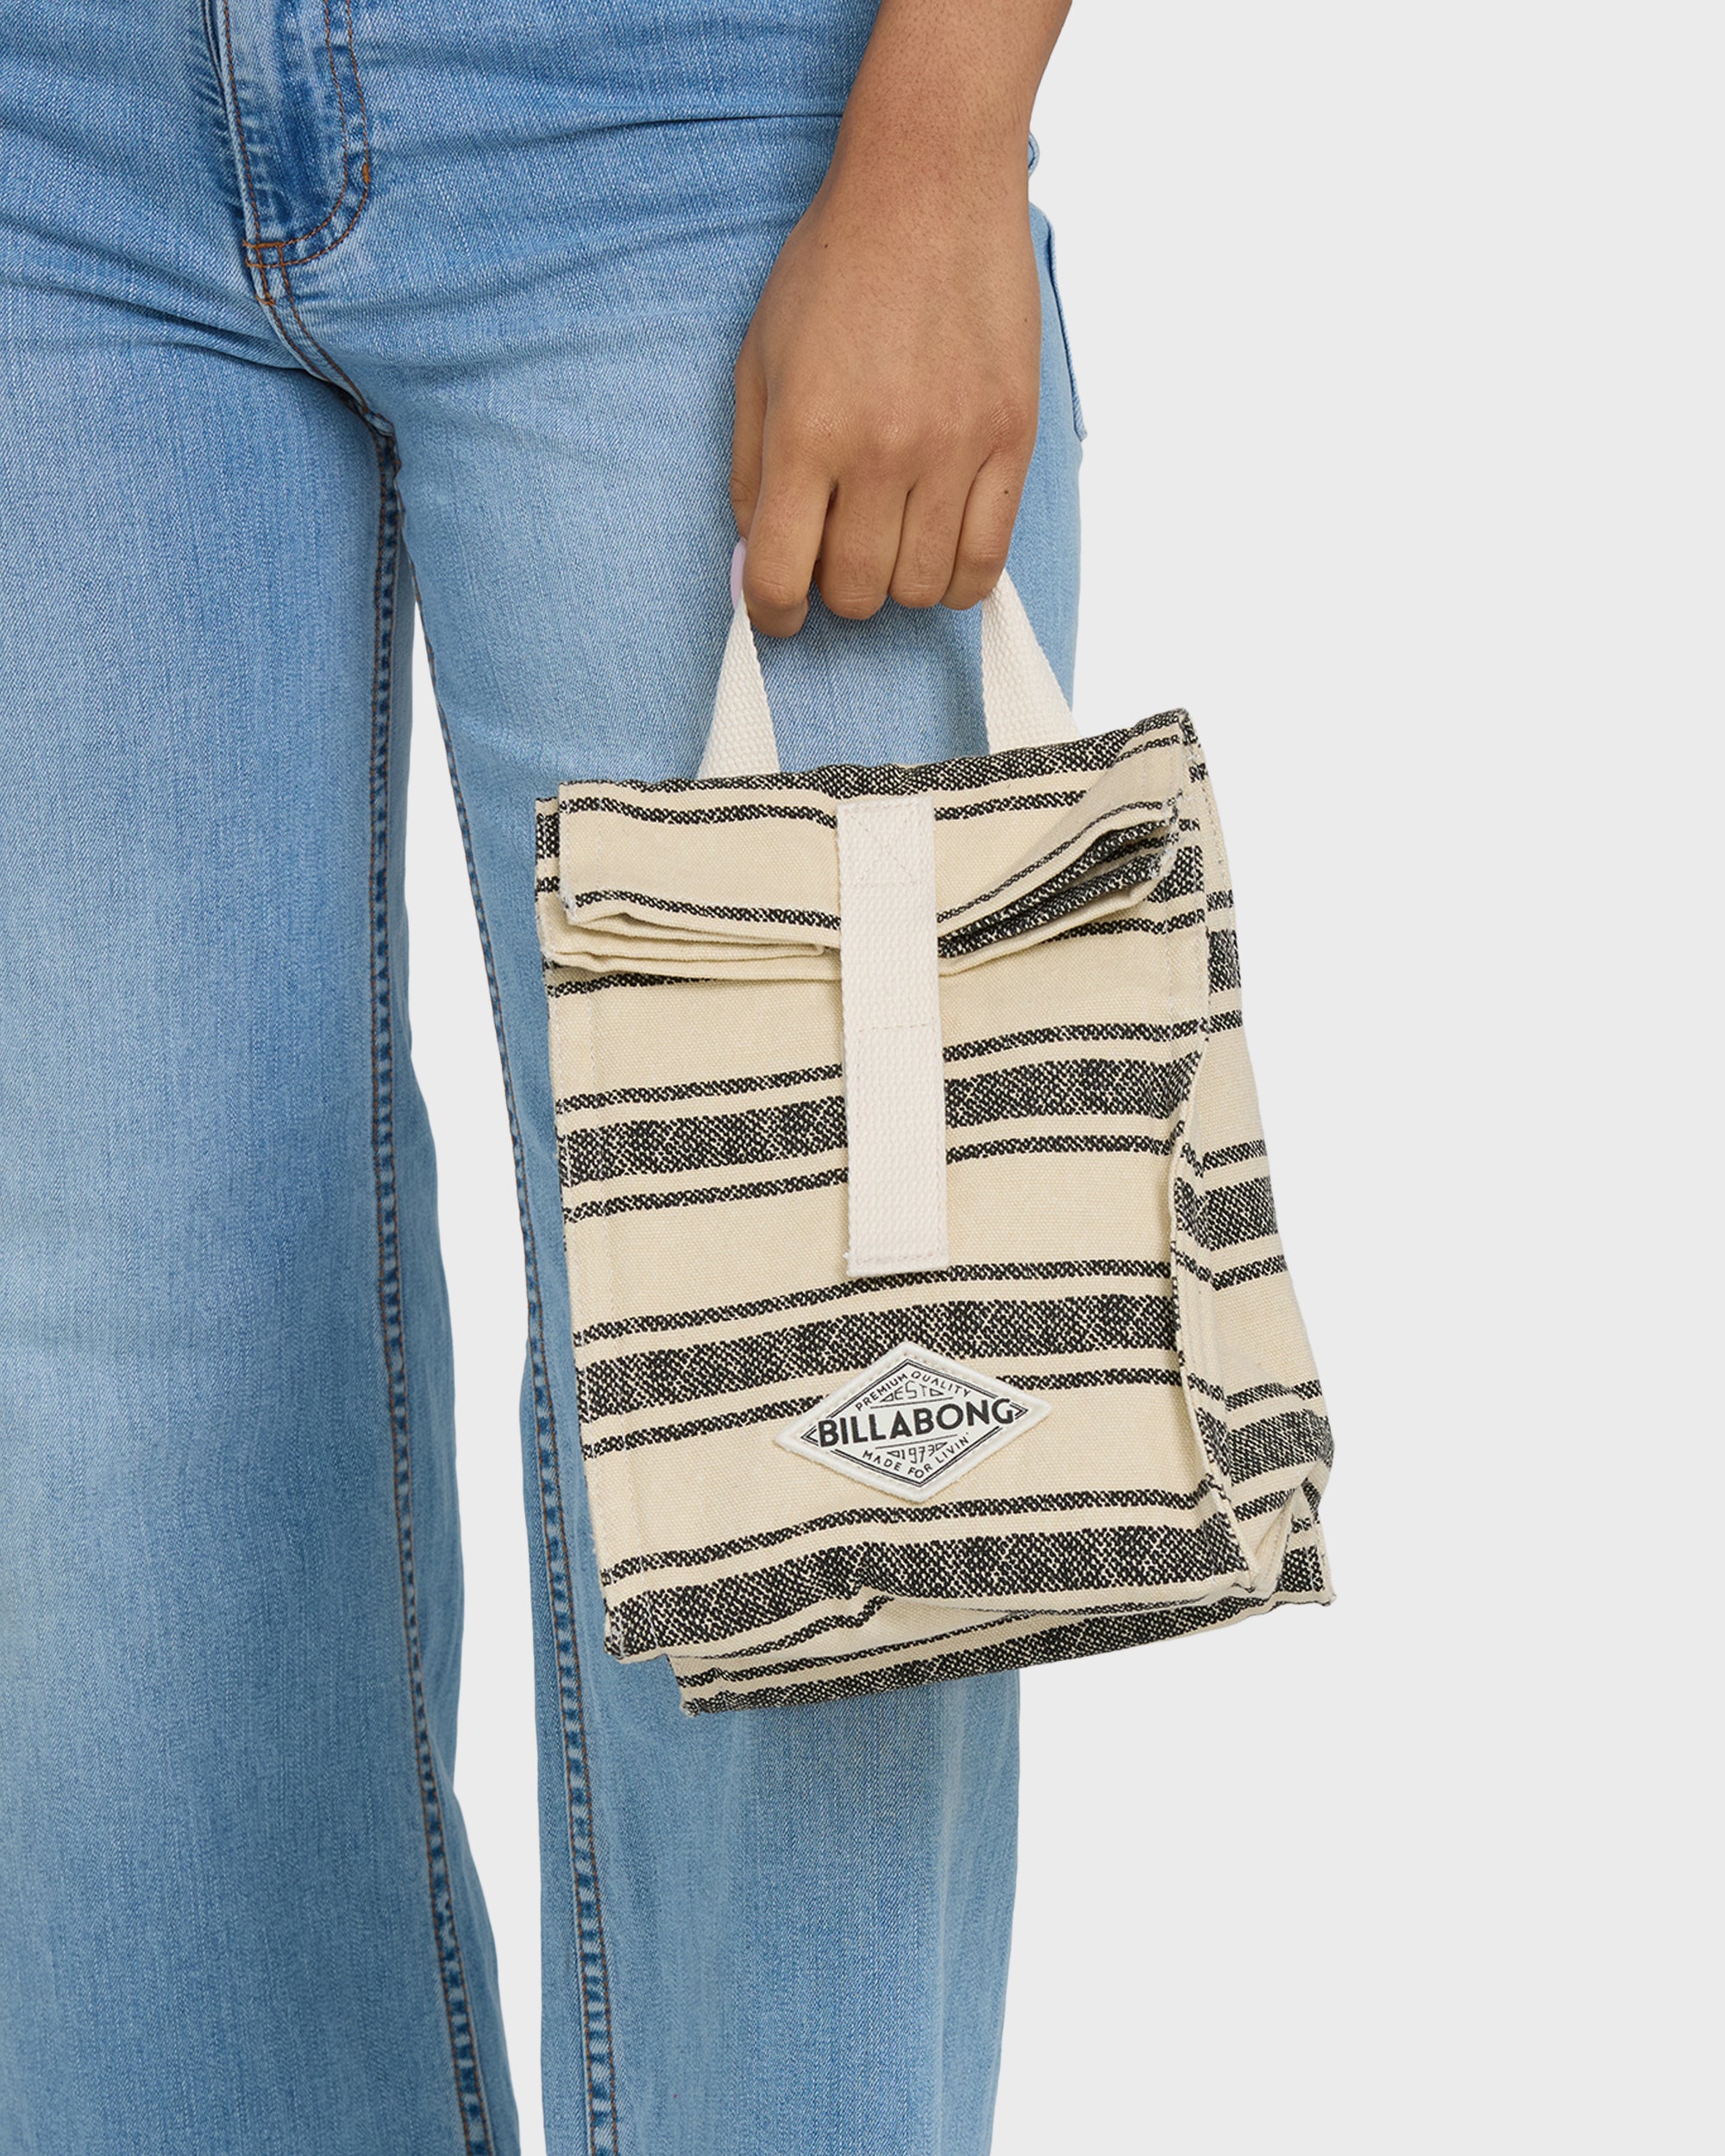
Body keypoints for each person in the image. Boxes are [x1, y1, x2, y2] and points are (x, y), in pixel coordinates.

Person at [0, 1, 1080, 2149]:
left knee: (829, 1456)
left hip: (710, 107)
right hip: (49, 147)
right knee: (113, 1483)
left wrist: (945, 131)